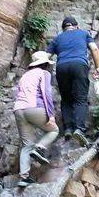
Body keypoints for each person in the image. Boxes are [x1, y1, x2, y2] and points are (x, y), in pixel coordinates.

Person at [47, 16, 99, 143]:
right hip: (79, 65)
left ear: (63, 28)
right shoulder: (83, 33)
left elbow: (46, 56)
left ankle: (68, 129)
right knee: (80, 98)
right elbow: (94, 48)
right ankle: (80, 129)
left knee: (66, 99)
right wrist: (98, 68)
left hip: (61, 67)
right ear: (76, 26)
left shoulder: (58, 38)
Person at [13, 50, 59, 188]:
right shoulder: (44, 73)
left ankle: (23, 177)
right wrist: (50, 115)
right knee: (54, 130)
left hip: (18, 109)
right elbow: (46, 94)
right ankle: (39, 148)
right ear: (45, 63)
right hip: (34, 108)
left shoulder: (24, 76)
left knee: (27, 144)